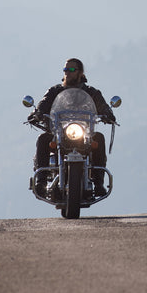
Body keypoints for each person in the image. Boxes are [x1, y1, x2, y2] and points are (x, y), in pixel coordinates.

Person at [29, 58, 116, 197]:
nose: (67, 73)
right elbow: (44, 103)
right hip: (59, 132)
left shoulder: (91, 92)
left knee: (98, 138)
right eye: (65, 70)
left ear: (80, 73)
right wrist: (37, 113)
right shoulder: (55, 91)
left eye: (71, 70)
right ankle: (41, 181)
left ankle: (99, 183)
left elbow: (101, 105)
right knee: (43, 139)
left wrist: (107, 113)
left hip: (83, 132)